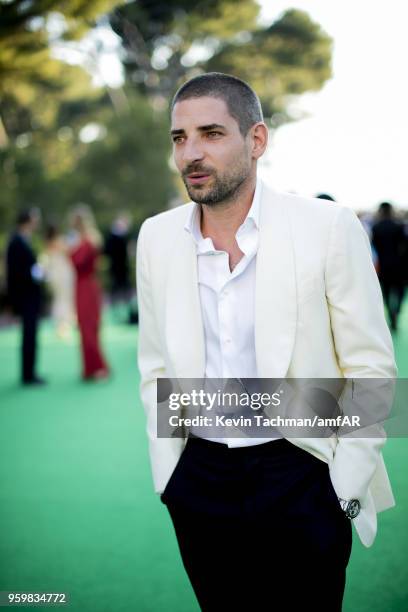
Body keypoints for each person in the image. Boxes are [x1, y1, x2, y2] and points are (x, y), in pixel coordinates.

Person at [136, 73, 397, 611]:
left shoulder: (327, 226)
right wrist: (171, 478)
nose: (192, 153)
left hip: (302, 470)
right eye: (180, 138)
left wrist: (342, 488)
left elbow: (370, 368)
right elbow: (157, 367)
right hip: (199, 478)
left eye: (210, 133)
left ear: (256, 141)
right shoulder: (156, 237)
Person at [69, 205, 110, 381]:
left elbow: (79, 262)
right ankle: (89, 367)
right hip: (81, 286)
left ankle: (98, 367)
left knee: (89, 326)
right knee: (84, 326)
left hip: (87, 286)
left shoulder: (88, 241)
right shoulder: (82, 240)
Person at [6, 208, 47, 385]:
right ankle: (28, 375)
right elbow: (15, 272)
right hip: (25, 297)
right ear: (28, 220)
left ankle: (30, 372)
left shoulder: (24, 240)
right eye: (35, 218)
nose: (37, 222)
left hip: (30, 296)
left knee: (31, 334)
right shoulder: (16, 242)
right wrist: (35, 274)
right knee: (28, 334)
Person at [371, 201, 407, 331]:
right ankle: (396, 311)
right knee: (400, 292)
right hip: (399, 266)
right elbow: (404, 247)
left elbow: (374, 248)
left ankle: (391, 315)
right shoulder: (399, 226)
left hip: (383, 266)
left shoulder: (376, 228)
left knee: (385, 293)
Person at [41, 224, 75, 339]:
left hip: (55, 274)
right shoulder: (60, 241)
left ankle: (62, 325)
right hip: (62, 274)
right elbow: (69, 253)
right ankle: (63, 326)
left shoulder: (48, 242)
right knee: (64, 299)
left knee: (59, 299)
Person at [104, 212, 133, 323]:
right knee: (118, 291)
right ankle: (117, 313)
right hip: (117, 268)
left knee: (122, 292)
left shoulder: (119, 236)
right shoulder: (116, 237)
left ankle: (124, 313)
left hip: (120, 268)